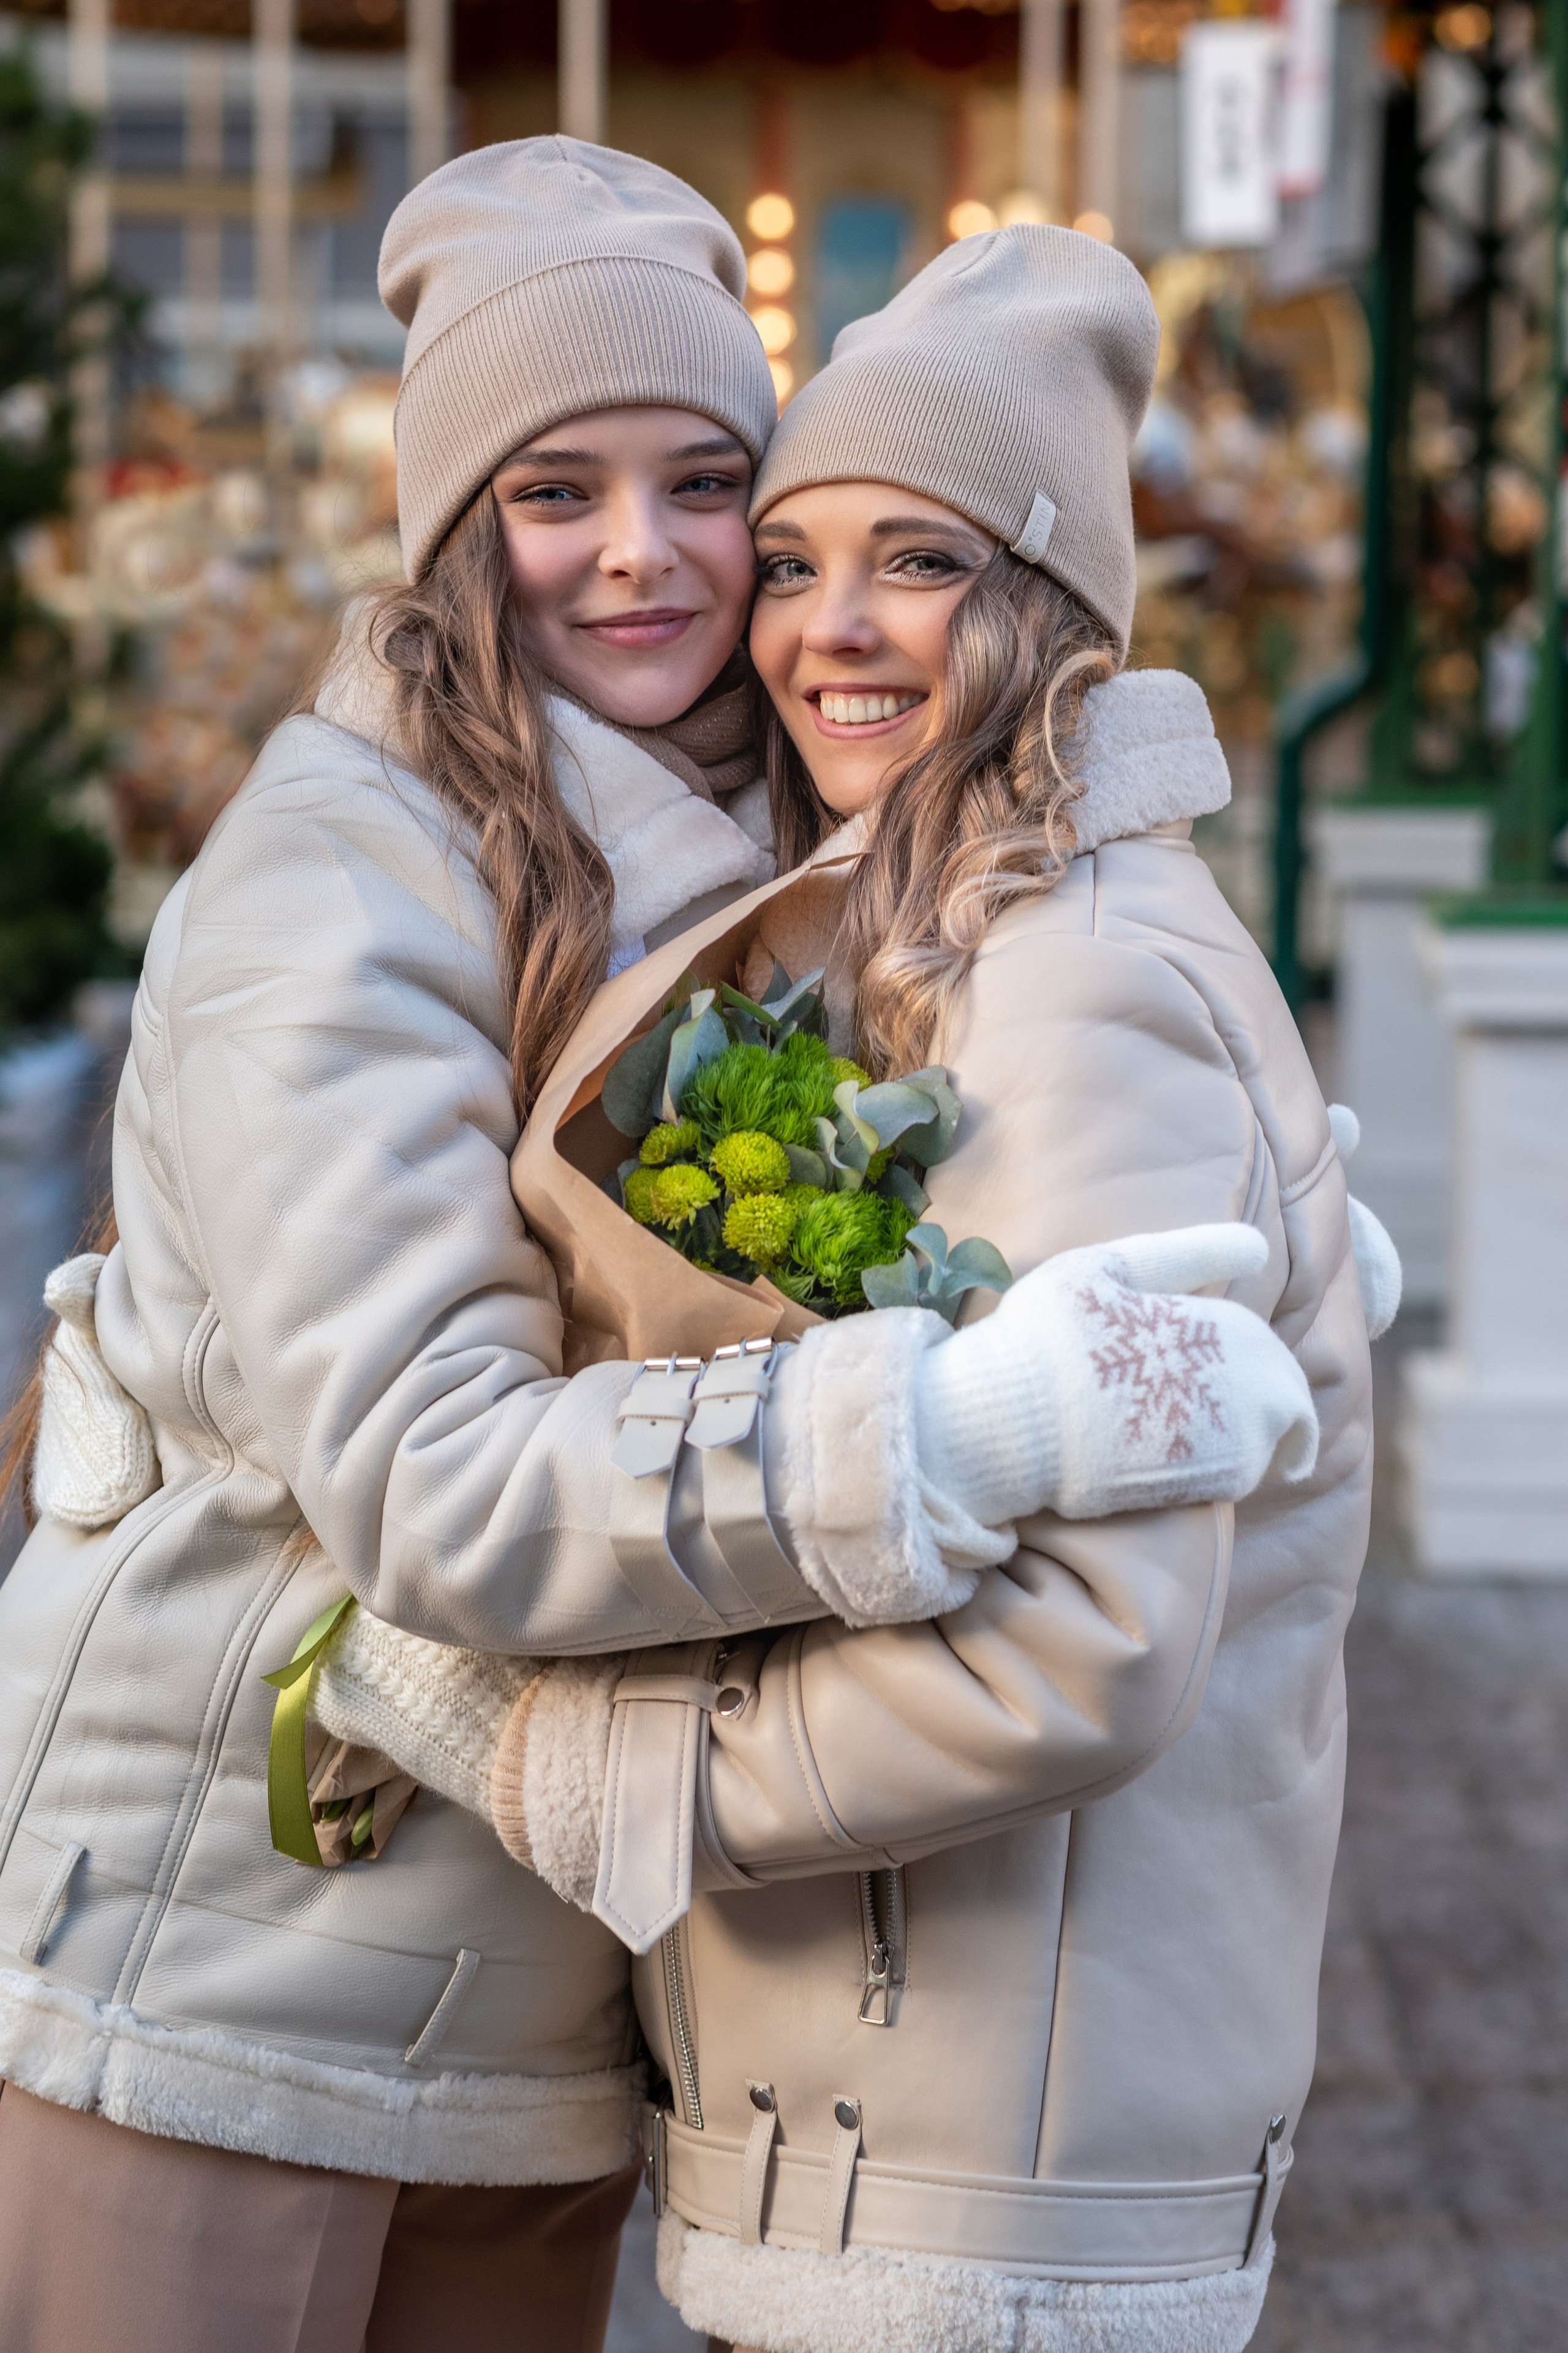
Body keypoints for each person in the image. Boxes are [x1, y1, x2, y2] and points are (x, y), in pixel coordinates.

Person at [0, 142, 1317, 2353]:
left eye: (706, 483)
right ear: (449, 533)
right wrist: (953, 1409)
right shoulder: (349, 880)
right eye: (553, 492)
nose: (647, 559)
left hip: (530, 2013)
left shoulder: (751, 850)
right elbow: (434, 1475)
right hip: (230, 1956)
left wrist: (1241, 1219)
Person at [314, 228, 1386, 2353]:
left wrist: (577, 1766)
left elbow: (1090, 1648)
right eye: (791, 562)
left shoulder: (1076, 974)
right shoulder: (955, 935)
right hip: (917, 2126)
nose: (824, 630)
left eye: (915, 559)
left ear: (1050, 611)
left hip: (986, 2171)